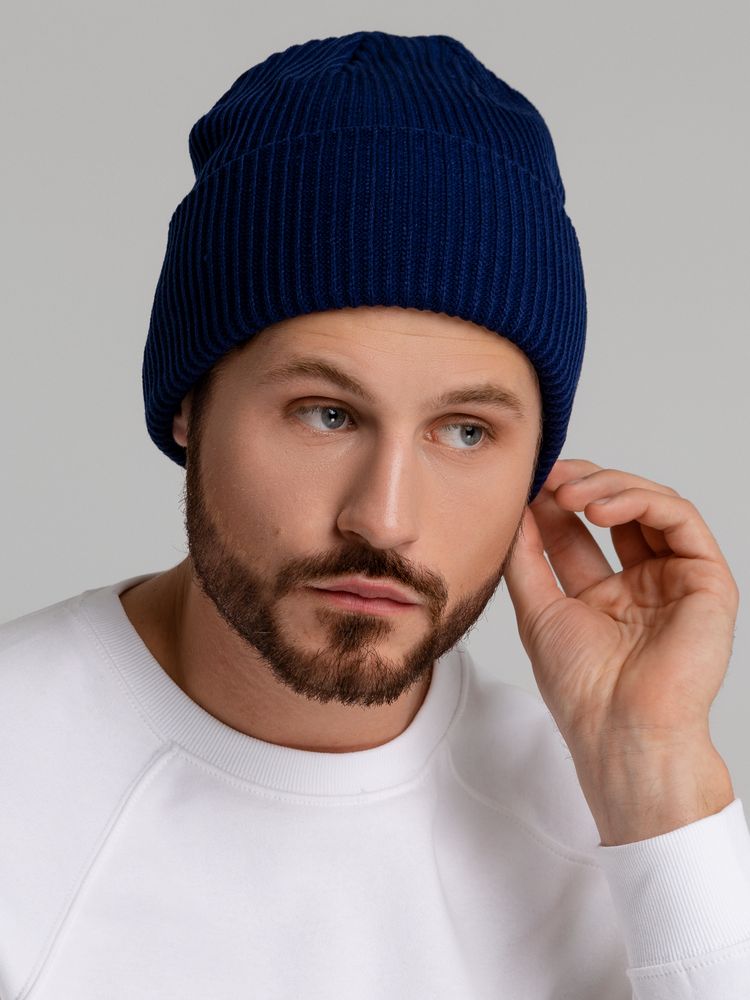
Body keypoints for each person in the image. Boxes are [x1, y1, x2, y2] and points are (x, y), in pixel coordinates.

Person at [1, 29, 749, 1000]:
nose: (385, 519)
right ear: (190, 406)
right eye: (327, 413)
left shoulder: (630, 829)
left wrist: (655, 771)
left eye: (467, 432)